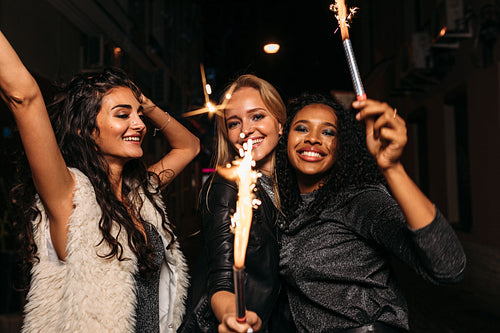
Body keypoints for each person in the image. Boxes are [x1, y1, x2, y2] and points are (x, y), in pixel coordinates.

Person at [0, 29, 200, 332]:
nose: (139, 124)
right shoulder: (70, 195)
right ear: (84, 128)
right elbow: (24, 96)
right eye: (122, 114)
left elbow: (190, 146)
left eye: (139, 114)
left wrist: (144, 102)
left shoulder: (141, 193)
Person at [275, 93, 466, 332]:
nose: (313, 139)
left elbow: (449, 265)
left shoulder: (359, 199)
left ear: (341, 145)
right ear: (285, 138)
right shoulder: (284, 206)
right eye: (302, 128)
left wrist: (392, 167)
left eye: (328, 132)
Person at [179, 74, 292, 333]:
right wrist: (233, 316)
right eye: (233, 123)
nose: (245, 130)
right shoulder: (227, 186)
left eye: (257, 116)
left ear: (280, 123)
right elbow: (221, 279)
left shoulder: (287, 189)